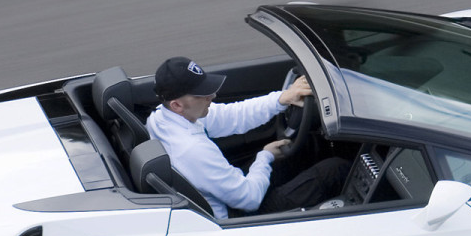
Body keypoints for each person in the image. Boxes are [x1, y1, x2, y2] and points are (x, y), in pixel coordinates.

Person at [144, 56, 347, 219]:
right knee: (335, 170)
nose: (212, 96)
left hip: (230, 193)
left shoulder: (162, 117)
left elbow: (234, 115)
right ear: (177, 105)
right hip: (239, 216)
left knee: (307, 148)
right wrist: (265, 157)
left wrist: (282, 98)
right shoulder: (192, 149)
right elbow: (250, 199)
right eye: (202, 94)